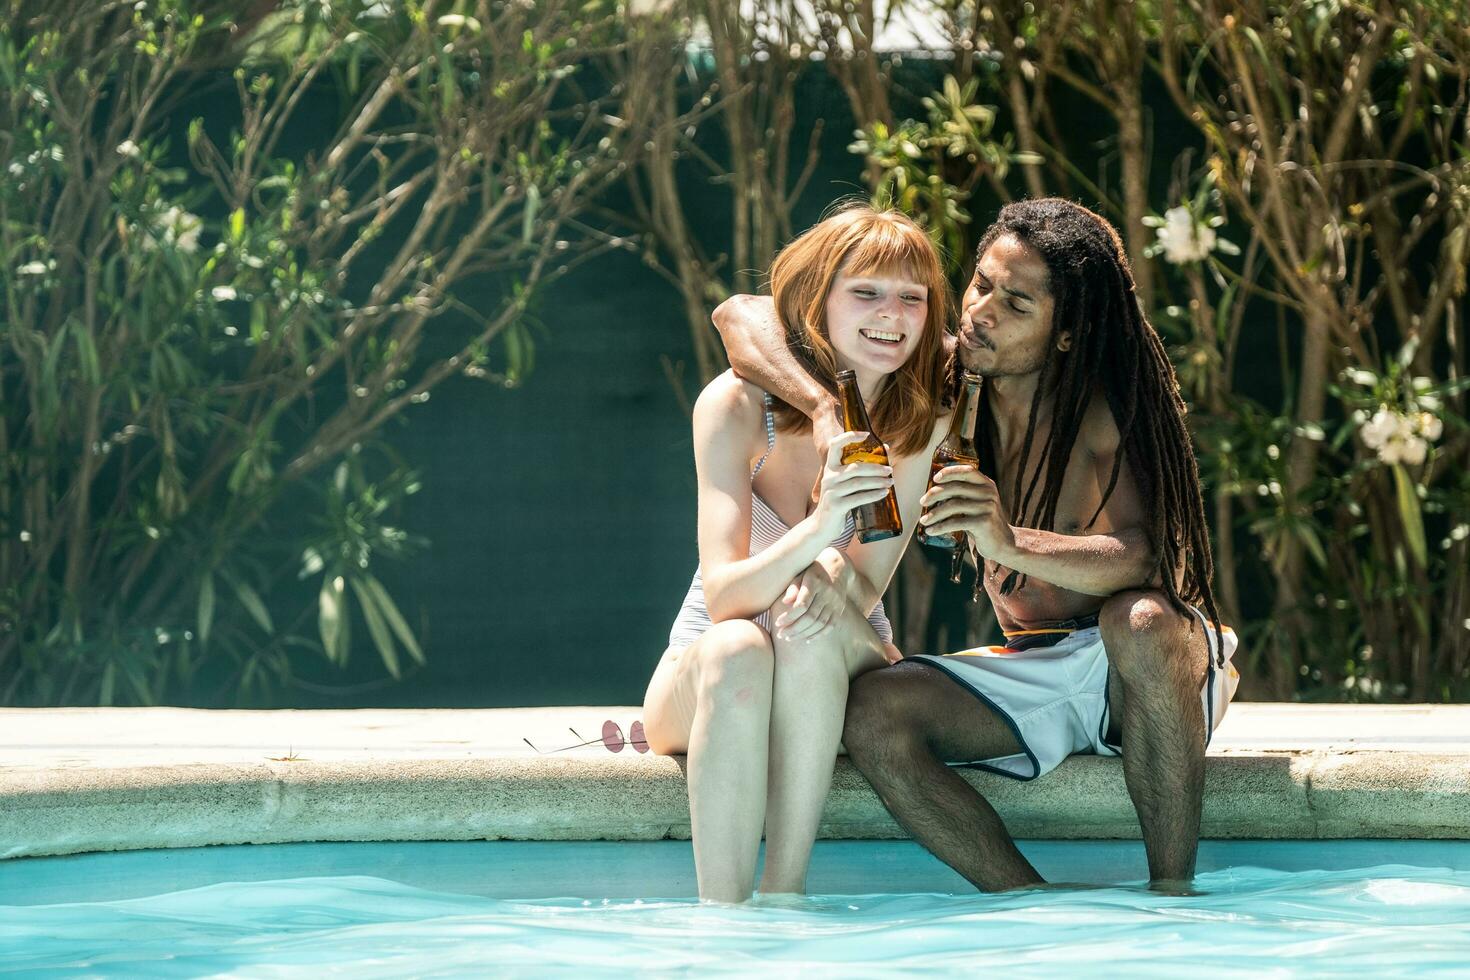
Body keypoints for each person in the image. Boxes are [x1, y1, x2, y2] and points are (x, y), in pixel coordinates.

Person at [713, 198, 1241, 893]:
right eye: (981, 284)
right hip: (1037, 665)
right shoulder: (944, 381)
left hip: (1151, 665)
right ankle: (1029, 904)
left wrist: (1009, 542)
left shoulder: (1107, 405)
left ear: (1065, 333)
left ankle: (1174, 898)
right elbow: (741, 315)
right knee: (873, 713)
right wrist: (821, 403)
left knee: (1137, 620)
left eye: (1015, 302)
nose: (980, 311)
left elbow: (1145, 563)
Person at [642, 203, 953, 903]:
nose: (892, 314)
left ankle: (785, 897)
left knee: (802, 621)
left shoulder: (918, 420)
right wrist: (821, 531)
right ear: (819, 300)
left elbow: (867, 583)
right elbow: (725, 598)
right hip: (710, 662)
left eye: (911, 296)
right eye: (865, 291)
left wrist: (829, 567)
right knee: (737, 647)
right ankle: (722, 922)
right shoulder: (736, 407)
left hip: (838, 646)